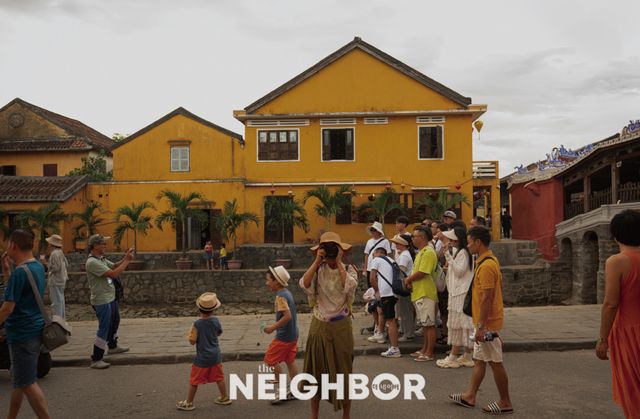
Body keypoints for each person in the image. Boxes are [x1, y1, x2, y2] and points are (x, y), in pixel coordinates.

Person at [450, 226, 513, 415]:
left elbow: (487, 298)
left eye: (469, 242)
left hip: (486, 324)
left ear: (478, 242)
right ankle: (470, 395)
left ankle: (505, 401)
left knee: (495, 362)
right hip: (483, 323)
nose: (467, 245)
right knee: (479, 360)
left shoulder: (486, 266)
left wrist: (481, 327)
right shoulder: (485, 261)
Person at [300, 232, 358, 417]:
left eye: (334, 248)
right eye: (327, 248)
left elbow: (350, 286)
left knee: (344, 372)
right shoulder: (318, 269)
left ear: (341, 250)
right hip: (319, 325)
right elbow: (304, 284)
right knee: (315, 371)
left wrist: (339, 262)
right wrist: (317, 261)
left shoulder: (349, 269)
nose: (331, 252)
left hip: (341, 326)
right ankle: (314, 415)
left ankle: (346, 415)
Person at [0, 229, 51, 419]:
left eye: (8, 244)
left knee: (27, 383)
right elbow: (18, 293)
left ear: (13, 245)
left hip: (21, 334)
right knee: (20, 380)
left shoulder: (20, 273)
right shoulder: (36, 267)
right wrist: (7, 271)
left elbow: (7, 308)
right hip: (35, 330)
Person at [596, 209, 640, 418]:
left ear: (615, 235)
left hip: (630, 333)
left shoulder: (617, 261)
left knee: (634, 393)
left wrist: (602, 339)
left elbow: (611, 304)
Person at [176, 292, 231, 410]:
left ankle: (189, 403)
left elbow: (192, 341)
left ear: (199, 308)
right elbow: (219, 332)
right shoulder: (216, 320)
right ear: (213, 309)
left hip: (202, 358)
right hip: (215, 355)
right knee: (219, 377)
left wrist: (190, 333)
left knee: (194, 380)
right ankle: (224, 397)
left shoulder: (197, 324)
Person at [86, 234, 133, 369]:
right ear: (95, 246)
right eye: (103, 244)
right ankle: (96, 358)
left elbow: (114, 266)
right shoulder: (92, 262)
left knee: (114, 322)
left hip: (110, 297)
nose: (105, 246)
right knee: (104, 327)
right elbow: (113, 273)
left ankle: (112, 346)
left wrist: (125, 257)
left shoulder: (101, 259)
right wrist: (127, 261)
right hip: (102, 299)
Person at [437, 227, 474, 369]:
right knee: (463, 325)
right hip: (457, 292)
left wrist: (448, 255)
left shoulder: (463, 252)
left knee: (458, 326)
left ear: (457, 240)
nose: (449, 241)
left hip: (460, 293)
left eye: (451, 239)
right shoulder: (461, 252)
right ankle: (467, 355)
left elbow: (459, 272)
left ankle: (453, 356)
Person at [263, 265, 299, 403]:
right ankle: (295, 390)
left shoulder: (280, 297)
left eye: (268, 280)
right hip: (293, 334)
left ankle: (283, 390)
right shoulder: (287, 293)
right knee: (290, 361)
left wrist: (272, 328)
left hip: (284, 337)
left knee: (270, 360)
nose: (267, 283)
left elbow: (287, 316)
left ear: (276, 282)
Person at [404, 225, 438, 362]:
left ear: (422, 237)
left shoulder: (428, 252)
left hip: (426, 292)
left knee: (429, 324)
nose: (412, 238)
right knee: (425, 324)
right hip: (419, 292)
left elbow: (423, 272)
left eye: (414, 236)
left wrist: (408, 279)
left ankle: (429, 352)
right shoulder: (421, 252)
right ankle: (424, 349)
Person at [369, 247, 400, 358]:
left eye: (373, 253)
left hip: (386, 293)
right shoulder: (391, 260)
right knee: (386, 315)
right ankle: (382, 335)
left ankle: (395, 348)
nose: (373, 256)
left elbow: (372, 278)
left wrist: (376, 291)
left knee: (391, 321)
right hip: (394, 292)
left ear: (378, 253)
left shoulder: (376, 260)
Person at [362, 222, 391, 338]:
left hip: (379, 270)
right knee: (371, 295)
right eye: (372, 230)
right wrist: (365, 267)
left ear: (379, 231)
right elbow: (366, 255)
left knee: (378, 295)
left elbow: (388, 255)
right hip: (370, 269)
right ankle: (375, 322)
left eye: (374, 230)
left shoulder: (385, 242)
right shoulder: (369, 241)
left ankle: (381, 323)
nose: (373, 232)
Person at [390, 234, 415, 342]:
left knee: (405, 311)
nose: (395, 245)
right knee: (404, 310)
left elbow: (401, 271)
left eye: (397, 243)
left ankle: (408, 333)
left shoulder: (404, 255)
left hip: (404, 286)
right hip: (404, 285)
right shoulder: (404, 254)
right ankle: (406, 331)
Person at [45, 234, 68, 319]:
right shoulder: (60, 252)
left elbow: (56, 267)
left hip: (55, 280)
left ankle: (57, 320)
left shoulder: (54, 253)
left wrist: (47, 264)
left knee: (56, 302)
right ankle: (61, 319)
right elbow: (66, 264)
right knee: (60, 300)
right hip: (61, 279)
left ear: (51, 244)